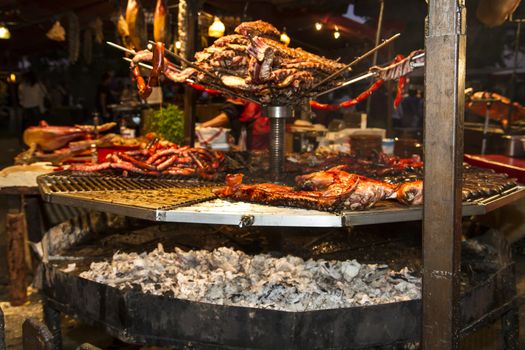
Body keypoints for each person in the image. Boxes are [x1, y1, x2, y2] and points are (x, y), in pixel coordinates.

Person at [201, 98, 270, 150]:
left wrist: (202, 126)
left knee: (255, 159)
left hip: (256, 134)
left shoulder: (239, 96)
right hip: (267, 131)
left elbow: (224, 117)